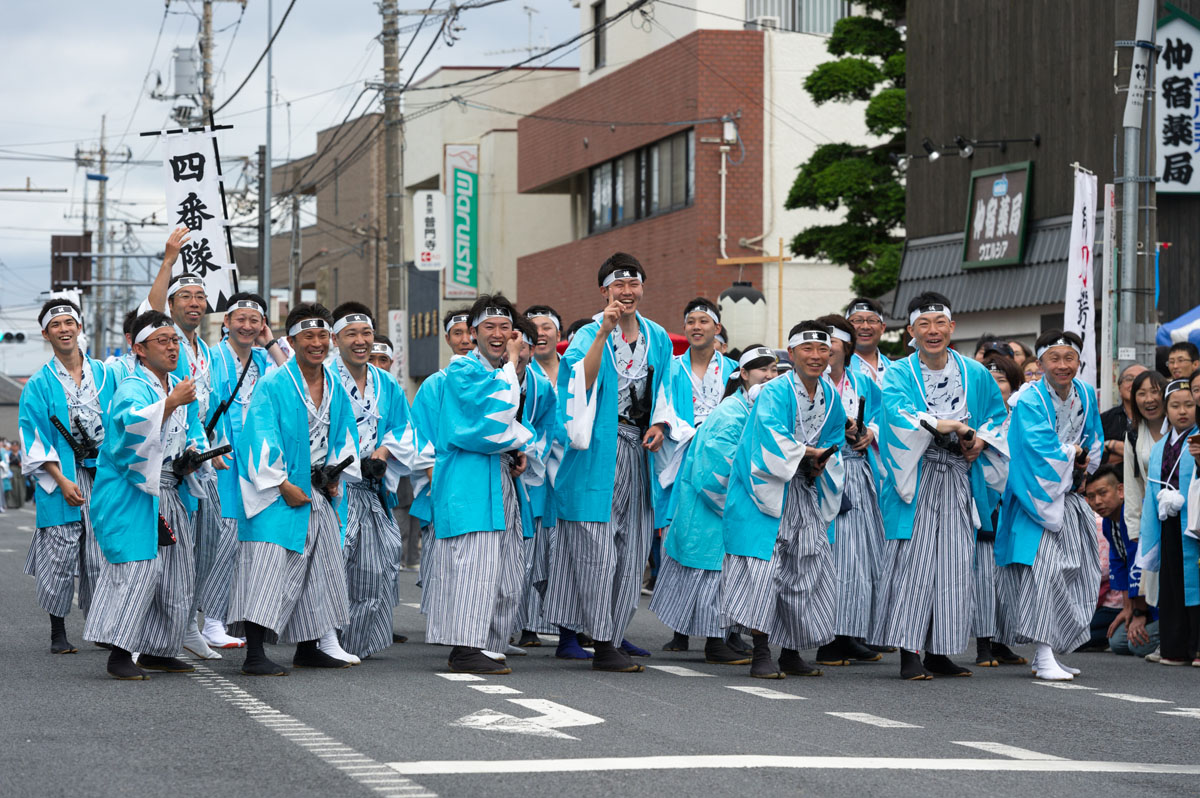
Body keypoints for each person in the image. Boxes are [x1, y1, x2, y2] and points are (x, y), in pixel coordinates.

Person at [546, 253, 689, 673]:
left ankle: (612, 631)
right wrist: (602, 333)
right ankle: (602, 640)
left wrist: (662, 424)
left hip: (638, 452)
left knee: (631, 549)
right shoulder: (590, 332)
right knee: (596, 548)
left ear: (642, 287)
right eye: (618, 285)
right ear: (604, 291)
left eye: (634, 284)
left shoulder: (658, 336)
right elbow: (577, 384)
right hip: (596, 452)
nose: (626, 292)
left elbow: (668, 390)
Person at [873, 292, 1009, 680]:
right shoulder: (899, 372)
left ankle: (939, 650)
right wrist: (946, 425)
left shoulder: (975, 372)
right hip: (916, 476)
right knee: (913, 566)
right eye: (923, 325)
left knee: (953, 565)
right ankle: (908, 652)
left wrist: (980, 441)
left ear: (952, 326)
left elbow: (998, 419)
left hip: (960, 476)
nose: (932, 332)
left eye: (939, 324)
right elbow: (896, 417)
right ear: (911, 331)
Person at [228, 302, 362, 676]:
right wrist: (282, 483)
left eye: (323, 336)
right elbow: (257, 435)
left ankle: (309, 647)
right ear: (291, 340)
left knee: (319, 570)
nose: (317, 343)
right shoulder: (273, 383)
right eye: (308, 337)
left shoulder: (335, 385)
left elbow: (345, 435)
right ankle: (254, 655)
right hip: (275, 492)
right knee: (266, 569)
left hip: (316, 490)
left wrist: (335, 473)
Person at [84, 310, 208, 680]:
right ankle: (119, 652)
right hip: (132, 493)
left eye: (175, 341)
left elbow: (193, 430)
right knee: (135, 571)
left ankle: (158, 648)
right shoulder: (133, 387)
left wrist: (195, 455)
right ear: (139, 348)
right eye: (163, 341)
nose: (172, 348)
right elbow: (129, 432)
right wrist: (171, 404)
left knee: (176, 572)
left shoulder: (176, 386)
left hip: (169, 489)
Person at [722, 322, 846, 679]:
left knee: (804, 569)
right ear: (791, 354)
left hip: (804, 489)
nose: (816, 357)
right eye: (807, 350)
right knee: (764, 574)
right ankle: (761, 653)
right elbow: (768, 437)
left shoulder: (831, 395)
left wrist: (824, 462)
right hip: (764, 491)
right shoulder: (774, 391)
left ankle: (791, 651)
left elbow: (835, 438)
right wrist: (810, 452)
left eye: (823, 350)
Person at [423, 295, 532, 675]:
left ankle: (484, 641)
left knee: (505, 567)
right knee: (474, 564)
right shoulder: (462, 370)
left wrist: (516, 447)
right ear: (473, 333)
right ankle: (466, 646)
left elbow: (505, 422)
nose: (498, 334)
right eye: (489, 327)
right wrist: (514, 363)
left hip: (495, 476)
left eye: (505, 327)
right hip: (468, 478)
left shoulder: (494, 371)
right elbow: (491, 416)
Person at [651, 345, 779, 664]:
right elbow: (715, 466)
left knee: (726, 572)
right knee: (714, 573)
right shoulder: (731, 413)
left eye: (774, 370)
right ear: (744, 375)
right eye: (762, 369)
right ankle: (715, 641)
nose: (769, 375)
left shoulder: (752, 408)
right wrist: (739, 502)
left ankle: (727, 637)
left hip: (731, 505)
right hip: (714, 506)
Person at [996, 330, 1104, 681]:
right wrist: (1073, 454)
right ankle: (1042, 654)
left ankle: (1051, 651)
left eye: (1069, 358)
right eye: (1054, 359)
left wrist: (1085, 458)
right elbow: (1034, 452)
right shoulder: (1028, 400)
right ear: (1039, 364)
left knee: (1076, 571)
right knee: (1043, 574)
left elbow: (1094, 438)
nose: (1062, 365)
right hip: (1034, 498)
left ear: (1078, 362)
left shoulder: (1085, 393)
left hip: (1068, 496)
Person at [330, 302, 429, 662]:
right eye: (351, 334)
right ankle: (323, 638)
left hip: (373, 488)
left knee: (376, 563)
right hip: (335, 487)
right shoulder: (324, 376)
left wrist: (384, 452)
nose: (360, 341)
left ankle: (357, 640)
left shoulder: (386, 382)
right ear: (335, 339)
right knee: (333, 562)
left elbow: (404, 429)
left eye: (366, 333)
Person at [19, 299, 117, 654]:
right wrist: (61, 480)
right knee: (59, 551)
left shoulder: (106, 374)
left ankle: (101, 625)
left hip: (102, 472)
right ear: (45, 333)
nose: (64, 329)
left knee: (99, 551)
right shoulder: (38, 384)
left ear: (79, 327)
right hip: (59, 474)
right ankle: (57, 630)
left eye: (69, 322)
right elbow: (34, 438)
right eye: (56, 324)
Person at [200, 292, 285, 650]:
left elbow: (293, 382)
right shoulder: (212, 358)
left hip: (259, 461)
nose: (247, 326)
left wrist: (272, 343)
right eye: (241, 319)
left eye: (255, 320)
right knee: (224, 538)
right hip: (223, 459)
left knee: (255, 541)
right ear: (226, 323)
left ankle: (239, 618)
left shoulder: (266, 360)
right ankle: (211, 619)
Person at [813, 315, 886, 666]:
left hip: (857, 472)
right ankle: (826, 636)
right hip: (825, 472)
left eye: (834, 342)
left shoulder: (863, 382)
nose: (828, 348)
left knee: (859, 559)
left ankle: (848, 633)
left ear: (847, 347)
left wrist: (870, 431)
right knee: (833, 557)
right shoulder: (813, 381)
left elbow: (881, 419)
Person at [1135, 377, 1199, 666]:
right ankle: (1174, 648)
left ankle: (1196, 647)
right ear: (1166, 410)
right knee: (1172, 584)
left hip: (1194, 521)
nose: (1182, 411)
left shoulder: (1196, 439)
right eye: (1175, 406)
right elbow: (1150, 491)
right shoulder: (1160, 446)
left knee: (1195, 585)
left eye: (1188, 405)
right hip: (1168, 520)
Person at [973, 354, 1028, 668]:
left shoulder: (1022, 416)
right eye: (990, 381)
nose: (996, 387)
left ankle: (1004, 640)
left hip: (1016, 499)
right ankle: (983, 643)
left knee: (1010, 576)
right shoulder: (976, 417)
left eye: (1002, 381)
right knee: (983, 575)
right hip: (986, 499)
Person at [511, 315, 560, 650]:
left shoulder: (546, 382)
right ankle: (504, 627)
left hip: (540, 473)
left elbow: (549, 426)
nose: (538, 337)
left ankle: (533, 621)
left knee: (538, 555)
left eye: (546, 329)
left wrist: (529, 449)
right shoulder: (492, 376)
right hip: (498, 468)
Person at [1082, 466, 1159, 657]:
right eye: (1091, 497)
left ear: (1121, 490)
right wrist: (1127, 609)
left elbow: (1138, 564)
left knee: (1136, 646)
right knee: (1118, 643)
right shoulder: (1109, 523)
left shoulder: (1132, 515)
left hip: (1157, 598)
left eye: (1102, 493)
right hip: (1136, 601)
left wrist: (1139, 613)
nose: (1097, 502)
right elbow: (1119, 565)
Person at [1123, 371, 1169, 545]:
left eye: (1154, 391)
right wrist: (1134, 527)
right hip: (1153, 517)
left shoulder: (1182, 430)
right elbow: (1132, 485)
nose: (1149, 399)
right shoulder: (1133, 436)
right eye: (1141, 394)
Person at [1100, 364, 1148, 465]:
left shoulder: (1158, 419)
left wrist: (1112, 445)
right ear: (1119, 387)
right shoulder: (1105, 419)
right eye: (1129, 379)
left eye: (1141, 379)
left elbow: (1153, 455)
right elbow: (1096, 456)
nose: (1135, 384)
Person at [845, 297, 890, 386]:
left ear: (882, 328)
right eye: (858, 320)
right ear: (846, 327)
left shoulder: (894, 368)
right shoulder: (837, 367)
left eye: (872, 320)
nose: (865, 326)